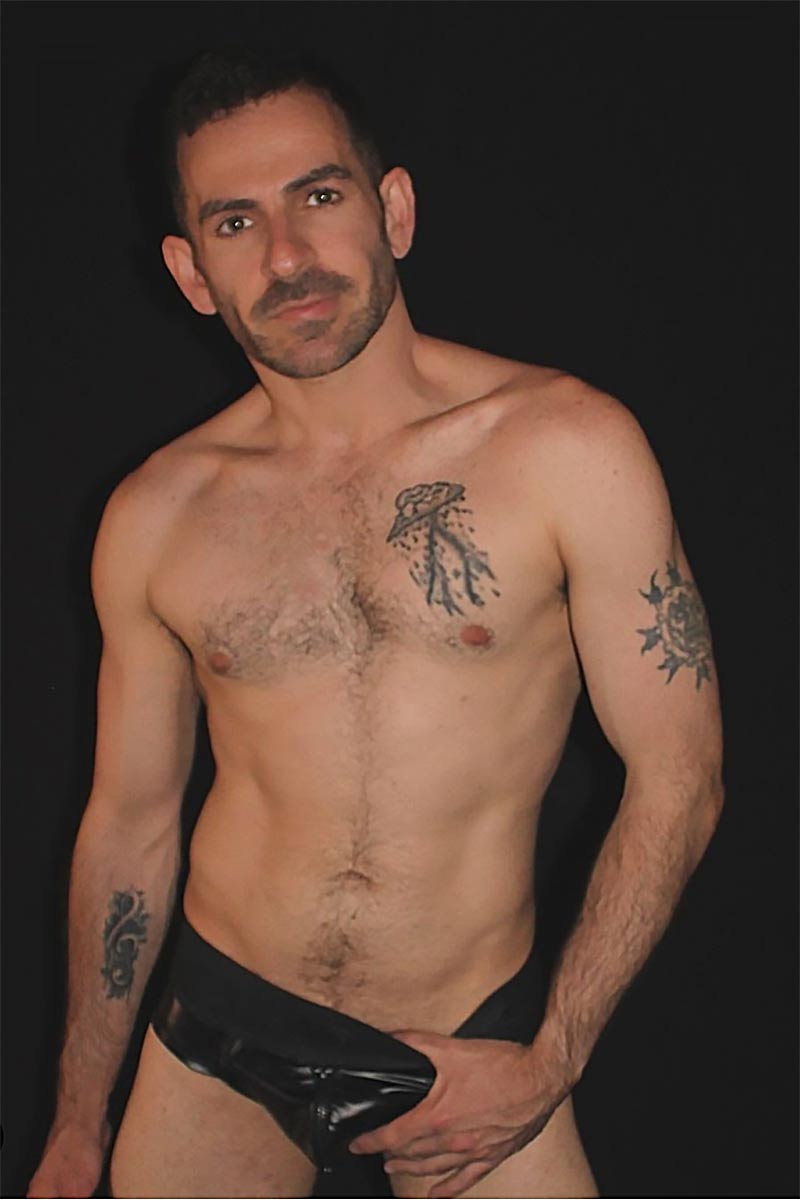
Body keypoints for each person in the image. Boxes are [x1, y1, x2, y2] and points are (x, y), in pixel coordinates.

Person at [27, 46, 724, 1200]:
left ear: (391, 209)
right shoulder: (156, 514)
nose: (285, 255)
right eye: (235, 222)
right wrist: (76, 1116)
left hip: (468, 1035)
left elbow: (679, 776)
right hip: (220, 1031)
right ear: (190, 272)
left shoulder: (565, 448)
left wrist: (550, 1056)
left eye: (317, 195)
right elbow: (130, 823)